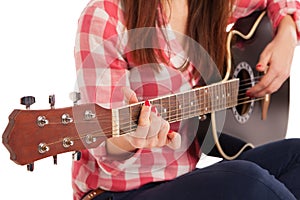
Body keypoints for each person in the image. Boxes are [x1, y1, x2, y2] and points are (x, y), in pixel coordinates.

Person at [72, 0, 300, 199]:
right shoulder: (107, 17)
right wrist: (133, 140)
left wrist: (287, 34)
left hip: (184, 180)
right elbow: (106, 148)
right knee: (248, 181)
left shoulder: (211, 5)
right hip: (118, 193)